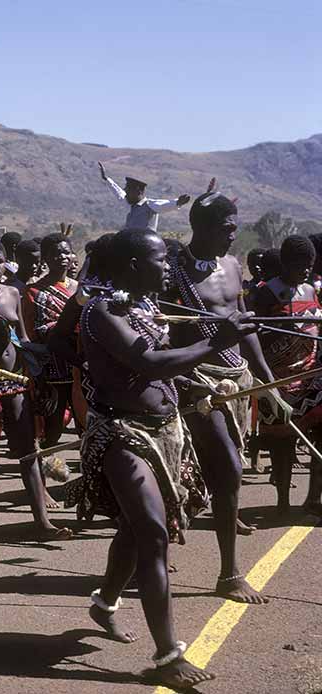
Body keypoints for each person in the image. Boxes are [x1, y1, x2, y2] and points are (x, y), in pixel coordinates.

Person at [73, 227, 251, 689]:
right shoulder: (102, 312)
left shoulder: (144, 307)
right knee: (153, 531)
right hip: (120, 434)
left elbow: (164, 367)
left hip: (165, 431)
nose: (167, 268)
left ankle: (104, 602)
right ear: (133, 266)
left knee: (135, 530)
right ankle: (168, 656)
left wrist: (198, 385)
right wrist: (217, 341)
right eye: (159, 261)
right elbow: (148, 363)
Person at [162, 192, 279, 603]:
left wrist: (268, 386)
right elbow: (160, 337)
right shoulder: (171, 274)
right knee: (225, 469)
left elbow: (245, 330)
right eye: (226, 228)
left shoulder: (232, 266)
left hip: (237, 382)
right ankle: (229, 574)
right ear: (202, 227)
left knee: (221, 471)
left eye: (234, 227)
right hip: (193, 385)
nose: (233, 235)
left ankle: (151, 554)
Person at [0, 238, 69, 539]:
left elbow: (22, 339)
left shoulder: (13, 293)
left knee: (28, 449)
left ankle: (42, 521)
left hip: (15, 381)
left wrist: (38, 373)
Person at [253, 235, 322, 516]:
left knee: (319, 437)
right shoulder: (267, 292)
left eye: (309, 264)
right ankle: (282, 502)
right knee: (282, 445)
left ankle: (313, 500)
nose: (305, 270)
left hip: (312, 376)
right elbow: (255, 335)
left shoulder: (310, 290)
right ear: (284, 262)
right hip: (278, 380)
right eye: (299, 264)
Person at [23, 233, 81, 445]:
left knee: (85, 423)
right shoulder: (35, 292)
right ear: (45, 258)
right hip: (55, 366)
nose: (63, 257)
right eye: (56, 254)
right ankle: (44, 466)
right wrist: (74, 327)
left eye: (66, 252)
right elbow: (39, 329)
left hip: (83, 364)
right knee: (54, 427)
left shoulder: (80, 288)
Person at [98, 162, 190, 231]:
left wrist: (178, 202)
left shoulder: (150, 205)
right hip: (129, 242)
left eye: (128, 190)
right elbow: (119, 193)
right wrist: (107, 179)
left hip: (146, 245)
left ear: (138, 191)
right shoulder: (130, 203)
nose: (126, 193)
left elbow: (165, 205)